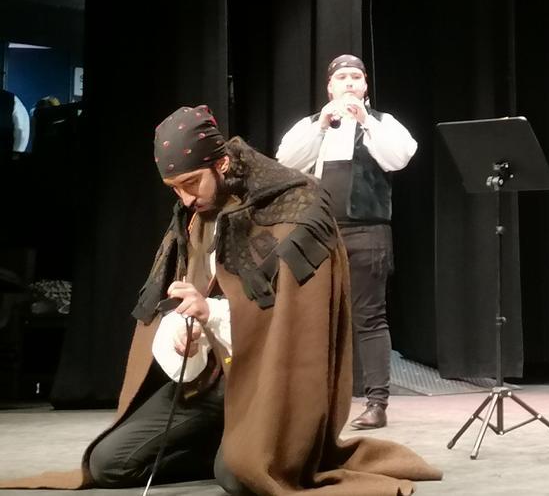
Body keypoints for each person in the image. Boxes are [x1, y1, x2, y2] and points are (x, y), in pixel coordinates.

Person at [0, 105, 440, 493]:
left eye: (190, 183)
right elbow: (184, 296)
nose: (185, 198)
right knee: (108, 464)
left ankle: (237, 452)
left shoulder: (296, 206)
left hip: (271, 383)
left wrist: (212, 312)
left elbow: (295, 321)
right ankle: (225, 445)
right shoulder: (194, 216)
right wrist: (184, 333)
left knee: (241, 476)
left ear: (223, 163)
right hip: (209, 382)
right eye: (174, 188)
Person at [276, 54, 417, 430]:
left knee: (369, 317)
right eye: (342, 78)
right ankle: (317, 400)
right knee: (316, 316)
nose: (350, 83)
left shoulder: (382, 124)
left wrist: (365, 120)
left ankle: (377, 402)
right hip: (321, 231)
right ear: (330, 87)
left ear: (366, 86)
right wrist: (321, 125)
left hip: (368, 231)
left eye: (357, 77)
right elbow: (286, 161)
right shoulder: (312, 126)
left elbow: (400, 157)